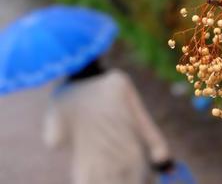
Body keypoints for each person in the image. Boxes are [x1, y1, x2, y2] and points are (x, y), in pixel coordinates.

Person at [43, 58, 195, 184]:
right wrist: (161, 154)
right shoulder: (117, 81)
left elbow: (54, 139)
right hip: (131, 162)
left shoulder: (63, 98)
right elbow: (142, 120)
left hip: (93, 172)